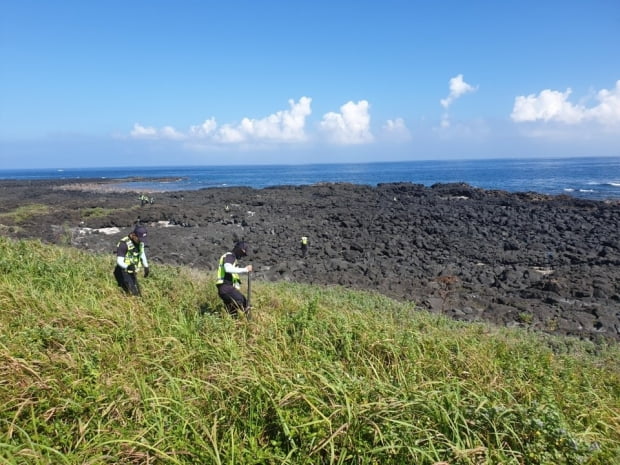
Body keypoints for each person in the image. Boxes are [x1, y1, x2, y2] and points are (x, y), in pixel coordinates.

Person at [216, 241, 252, 317]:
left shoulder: (233, 260)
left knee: (233, 314)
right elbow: (228, 269)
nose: (242, 256)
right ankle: (250, 324)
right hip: (226, 288)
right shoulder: (230, 256)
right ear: (239, 249)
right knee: (244, 302)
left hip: (224, 289)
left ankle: (230, 325)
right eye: (242, 253)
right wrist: (245, 269)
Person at [114, 225, 150, 296]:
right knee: (132, 293)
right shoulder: (123, 244)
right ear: (133, 235)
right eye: (139, 239)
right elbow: (119, 260)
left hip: (132, 271)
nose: (141, 241)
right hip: (123, 271)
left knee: (137, 292)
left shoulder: (140, 243)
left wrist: (146, 267)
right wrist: (128, 266)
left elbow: (142, 253)